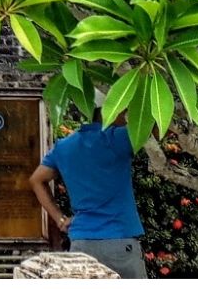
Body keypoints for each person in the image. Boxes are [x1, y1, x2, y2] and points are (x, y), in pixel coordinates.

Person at [28, 95, 146, 279]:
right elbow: (157, 128)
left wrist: (60, 219)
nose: (126, 118)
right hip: (119, 243)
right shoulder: (118, 138)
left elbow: (36, 180)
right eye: (124, 112)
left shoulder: (65, 146)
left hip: (81, 244)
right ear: (112, 111)